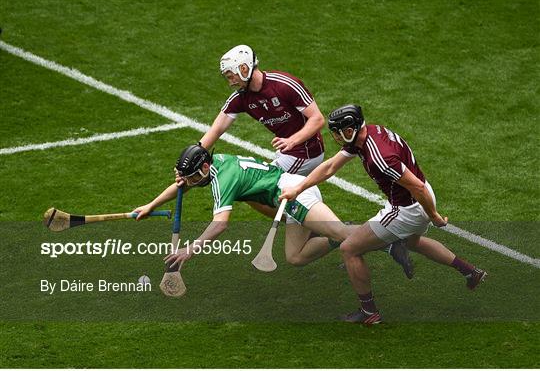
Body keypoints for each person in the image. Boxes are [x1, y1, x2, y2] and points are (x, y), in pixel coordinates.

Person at [279, 104, 487, 324]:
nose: (340, 137)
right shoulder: (366, 134)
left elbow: (416, 187)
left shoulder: (380, 158)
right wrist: (298, 188)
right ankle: (470, 272)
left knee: (349, 248)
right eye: (338, 132)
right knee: (413, 243)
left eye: (344, 132)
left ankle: (369, 312)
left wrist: (433, 215)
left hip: (407, 208)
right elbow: (330, 167)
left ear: (354, 127)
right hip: (418, 199)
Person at [133, 144, 411, 276]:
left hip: (293, 193)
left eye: (194, 177)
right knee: (296, 257)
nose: (191, 183)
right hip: (286, 203)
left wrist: (189, 250)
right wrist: (150, 205)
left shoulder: (222, 179)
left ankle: (389, 243)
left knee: (340, 231)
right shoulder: (215, 162)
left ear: (204, 168)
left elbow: (220, 224)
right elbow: (182, 185)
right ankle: (341, 234)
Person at [200, 44, 325, 176]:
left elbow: (317, 119)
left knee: (265, 185)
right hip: (287, 152)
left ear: (243, 69)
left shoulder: (284, 85)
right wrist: (195, 154)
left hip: (306, 153)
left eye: (231, 76)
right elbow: (216, 129)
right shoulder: (241, 97)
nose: (231, 83)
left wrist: (291, 141)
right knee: (281, 191)